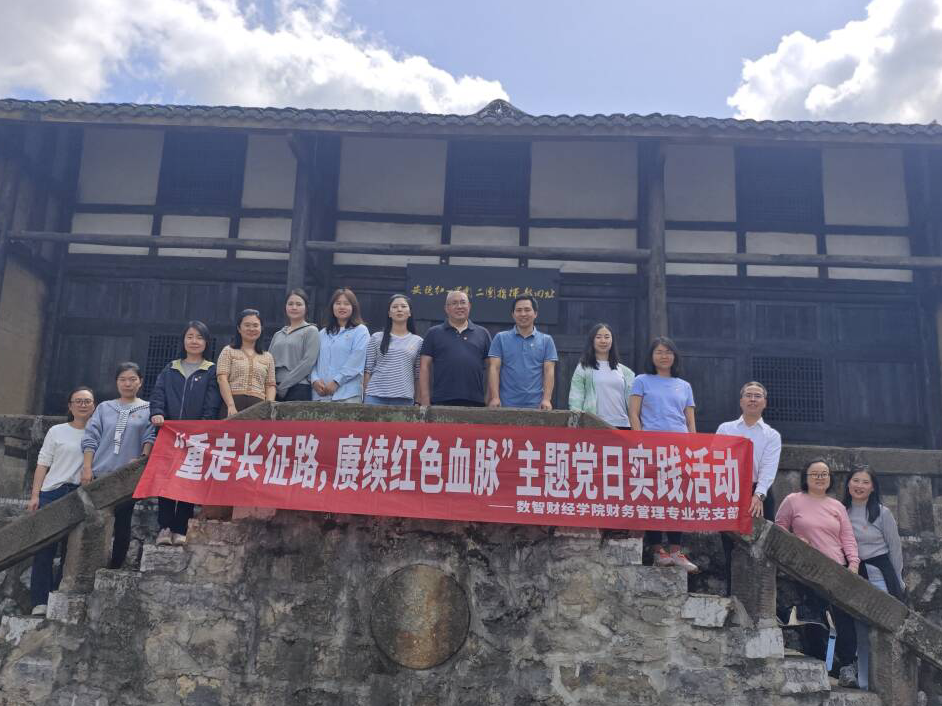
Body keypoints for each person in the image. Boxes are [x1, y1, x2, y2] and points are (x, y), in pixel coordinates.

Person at [776, 458, 859, 670]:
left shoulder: (837, 506)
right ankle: (821, 665)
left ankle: (848, 666)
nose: (820, 478)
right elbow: (778, 528)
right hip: (807, 569)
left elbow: (847, 538)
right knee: (815, 620)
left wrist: (853, 564)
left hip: (837, 569)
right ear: (806, 477)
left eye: (824, 474)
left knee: (844, 619)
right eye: (815, 474)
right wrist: (795, 540)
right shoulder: (793, 500)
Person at [149, 321, 222, 546]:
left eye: (199, 337)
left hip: (195, 436)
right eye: (190, 337)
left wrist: (204, 425)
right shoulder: (170, 368)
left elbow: (212, 402)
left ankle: (181, 529)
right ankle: (165, 528)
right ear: (183, 340)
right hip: (169, 434)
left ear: (206, 342)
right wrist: (157, 413)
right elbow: (158, 394)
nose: (194, 341)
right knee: (166, 480)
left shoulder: (211, 370)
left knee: (188, 480)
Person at [629, 336, 698, 573]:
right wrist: (640, 443)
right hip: (652, 447)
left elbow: (690, 421)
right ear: (651, 356)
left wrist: (692, 448)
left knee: (677, 497)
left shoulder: (684, 385)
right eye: (659, 352)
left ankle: (677, 550)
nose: (664, 356)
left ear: (675, 356)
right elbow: (634, 414)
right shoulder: (641, 381)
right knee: (653, 496)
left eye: (668, 352)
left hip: (679, 447)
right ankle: (658, 549)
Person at [28, 386, 96, 616]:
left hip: (80, 493)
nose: (83, 405)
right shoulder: (57, 431)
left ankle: (57, 595)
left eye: (87, 401)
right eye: (78, 401)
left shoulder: (98, 433)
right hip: (53, 491)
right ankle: (39, 600)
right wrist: (35, 495)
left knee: (71, 549)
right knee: (44, 548)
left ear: (94, 405)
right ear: (70, 406)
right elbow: (42, 464)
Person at [81, 363, 156, 569]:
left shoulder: (149, 409)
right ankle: (91, 565)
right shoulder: (104, 408)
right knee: (96, 521)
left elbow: (150, 436)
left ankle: (115, 567)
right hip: (100, 472)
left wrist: (141, 459)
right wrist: (87, 467)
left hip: (127, 475)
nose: (127, 384)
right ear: (116, 382)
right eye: (123, 379)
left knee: (123, 522)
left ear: (140, 382)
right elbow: (91, 438)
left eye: (132, 379)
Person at [842, 465, 905, 690]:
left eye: (865, 482)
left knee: (882, 629)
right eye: (855, 480)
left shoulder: (882, 513)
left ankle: (888, 684)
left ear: (873, 488)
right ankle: (864, 684)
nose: (859, 486)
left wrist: (898, 581)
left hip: (880, 576)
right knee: (860, 631)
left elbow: (895, 549)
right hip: (854, 575)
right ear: (848, 484)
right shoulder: (841, 511)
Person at [716, 381, 781, 594]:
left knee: (762, 548)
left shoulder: (772, 435)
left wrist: (758, 495)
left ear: (765, 403)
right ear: (741, 401)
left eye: (757, 396)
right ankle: (732, 596)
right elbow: (716, 460)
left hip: (759, 493)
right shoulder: (726, 429)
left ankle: (762, 598)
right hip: (730, 490)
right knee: (730, 546)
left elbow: (769, 468)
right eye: (749, 395)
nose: (753, 399)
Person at [419, 290, 492, 407]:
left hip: (476, 401)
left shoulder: (483, 333)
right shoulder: (433, 333)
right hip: (441, 400)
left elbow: (491, 367)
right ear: (446, 308)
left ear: (469, 306)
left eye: (463, 302)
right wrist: (425, 398)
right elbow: (424, 367)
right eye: (454, 303)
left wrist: (489, 397)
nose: (459, 306)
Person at [488, 295, 558, 410]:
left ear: (535, 313)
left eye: (527, 310)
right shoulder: (500, 338)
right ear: (513, 314)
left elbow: (549, 371)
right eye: (519, 310)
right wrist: (495, 397)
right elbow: (494, 368)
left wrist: (546, 399)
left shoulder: (546, 341)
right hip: (506, 404)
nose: (523, 314)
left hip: (536, 405)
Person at [568, 323, 635, 428]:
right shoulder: (583, 368)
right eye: (598, 337)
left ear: (612, 340)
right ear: (592, 341)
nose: (603, 341)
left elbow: (633, 404)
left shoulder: (626, 372)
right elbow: (576, 397)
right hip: (594, 424)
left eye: (607, 337)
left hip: (623, 424)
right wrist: (576, 423)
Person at [311, 287, 369, 403]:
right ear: (332, 307)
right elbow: (312, 361)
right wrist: (314, 380)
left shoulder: (360, 331)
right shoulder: (322, 333)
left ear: (353, 307)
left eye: (346, 304)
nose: (342, 307)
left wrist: (336, 382)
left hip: (348, 396)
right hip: (321, 396)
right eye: (338, 303)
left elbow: (356, 362)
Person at [364, 294, 423, 405]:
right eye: (395, 307)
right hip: (375, 396)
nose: (399, 309)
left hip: (404, 397)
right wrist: (365, 394)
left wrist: (417, 400)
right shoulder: (376, 337)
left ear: (410, 313)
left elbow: (418, 374)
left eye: (403, 306)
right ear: (389, 313)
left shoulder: (418, 341)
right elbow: (368, 369)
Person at [217, 309, 276, 418]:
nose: (251, 329)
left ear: (261, 328)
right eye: (247, 325)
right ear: (239, 328)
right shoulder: (228, 351)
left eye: (255, 325)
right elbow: (222, 379)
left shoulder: (268, 357)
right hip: (233, 405)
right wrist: (230, 405)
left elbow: (270, 385)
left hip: (258, 408)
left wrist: (268, 408)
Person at [269, 289, 320, 402]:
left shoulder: (311, 331)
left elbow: (308, 362)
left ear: (306, 308)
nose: (294, 307)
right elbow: (269, 362)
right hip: (274, 389)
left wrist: (284, 385)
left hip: (299, 387)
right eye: (290, 304)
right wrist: (271, 385)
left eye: (299, 304)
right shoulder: (278, 334)